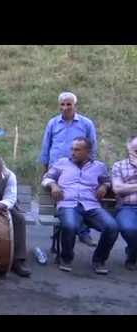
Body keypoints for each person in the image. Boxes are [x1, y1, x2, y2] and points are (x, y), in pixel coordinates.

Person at [42, 137, 118, 274]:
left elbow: (107, 181)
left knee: (112, 227)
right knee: (70, 225)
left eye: (77, 149)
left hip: (91, 206)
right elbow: (47, 178)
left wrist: (104, 186)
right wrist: (53, 185)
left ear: (87, 151)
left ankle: (99, 260)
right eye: (72, 149)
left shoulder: (99, 167)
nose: (72, 152)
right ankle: (66, 258)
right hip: (68, 204)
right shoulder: (62, 163)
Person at [40, 91, 98, 246]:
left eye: (68, 104)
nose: (65, 107)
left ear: (75, 105)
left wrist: (88, 169)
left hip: (78, 169)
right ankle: (58, 239)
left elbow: (92, 147)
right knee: (60, 203)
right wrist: (45, 171)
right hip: (56, 170)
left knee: (76, 199)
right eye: (62, 104)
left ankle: (82, 231)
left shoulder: (86, 124)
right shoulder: (53, 123)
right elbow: (46, 147)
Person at [111, 135, 137, 271]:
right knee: (129, 229)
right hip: (127, 207)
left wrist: (130, 187)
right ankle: (133, 255)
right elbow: (118, 189)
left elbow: (124, 187)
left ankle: (133, 252)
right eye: (136, 151)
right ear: (129, 150)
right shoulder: (119, 166)